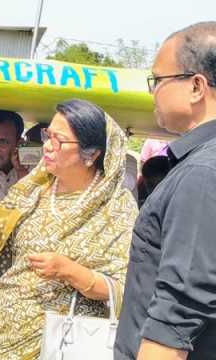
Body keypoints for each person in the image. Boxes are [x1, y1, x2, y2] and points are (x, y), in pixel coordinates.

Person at [0, 99, 138, 359]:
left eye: (59, 140)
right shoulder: (36, 187)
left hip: (65, 343)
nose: (47, 146)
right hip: (8, 335)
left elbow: (127, 288)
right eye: (47, 136)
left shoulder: (116, 208)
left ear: (92, 154)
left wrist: (70, 272)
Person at [115, 22, 216, 360]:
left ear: (196, 87)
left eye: (157, 81)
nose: (152, 92)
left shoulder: (202, 173)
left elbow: (178, 313)